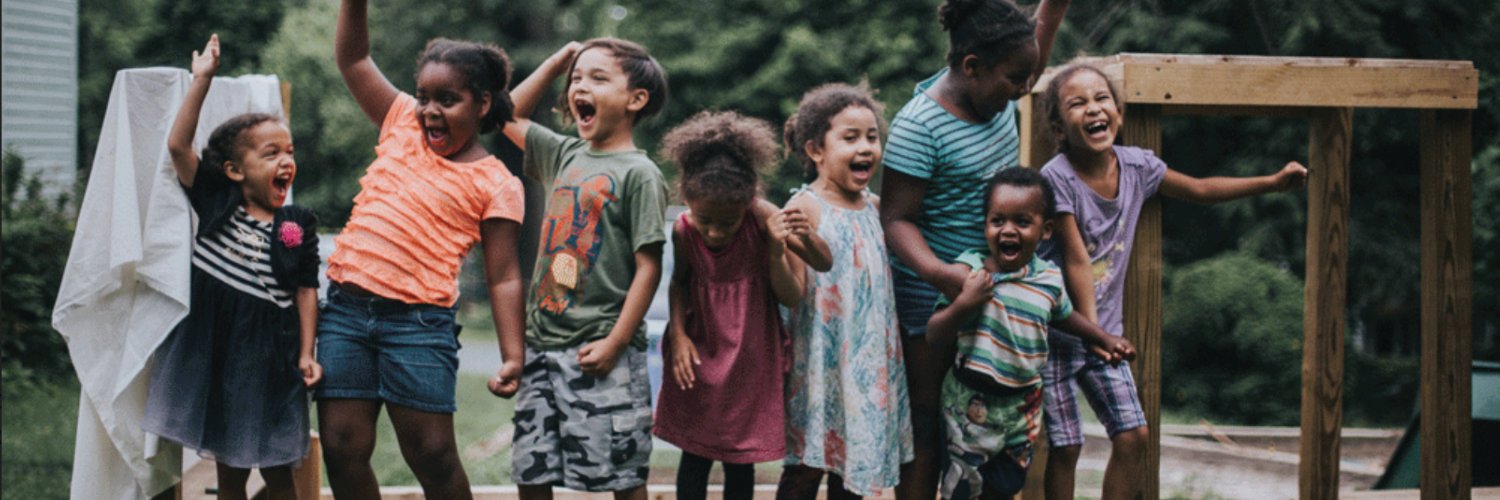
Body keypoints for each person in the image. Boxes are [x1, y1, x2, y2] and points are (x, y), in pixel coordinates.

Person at [1036, 63, 1308, 500]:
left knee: (1133, 435)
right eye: (1078, 103)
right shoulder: (1056, 176)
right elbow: (1076, 259)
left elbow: (1200, 188)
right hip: (1058, 331)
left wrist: (1272, 183)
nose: (1093, 109)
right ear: (1058, 126)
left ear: (1119, 113)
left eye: (1101, 99)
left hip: (1105, 333)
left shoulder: (1138, 167)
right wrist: (1095, 334)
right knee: (1066, 447)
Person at [319, 1, 528, 498]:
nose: (430, 110)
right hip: (345, 314)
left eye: (448, 99)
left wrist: (513, 353)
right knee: (341, 445)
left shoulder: (495, 181)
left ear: (481, 104)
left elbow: (503, 276)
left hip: (418, 326)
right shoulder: (400, 125)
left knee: (433, 455)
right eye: (424, 97)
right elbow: (353, 60)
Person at [878, 1, 1071, 496]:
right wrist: (944, 276)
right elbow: (896, 220)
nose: (1025, 88)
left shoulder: (999, 91)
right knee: (928, 420)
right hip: (933, 293)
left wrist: (1053, 10)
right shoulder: (919, 126)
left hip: (999, 283)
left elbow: (1030, 58)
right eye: (1015, 78)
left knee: (987, 420)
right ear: (971, 67)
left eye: (1027, 76)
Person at [142, 34, 322, 500]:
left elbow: (305, 289)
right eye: (271, 154)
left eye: (290, 152)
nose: (286, 161)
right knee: (232, 473)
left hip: (276, 358)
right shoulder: (216, 201)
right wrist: (202, 81)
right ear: (234, 171)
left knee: (281, 469)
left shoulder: (298, 222)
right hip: (220, 354)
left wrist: (306, 352)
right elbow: (179, 147)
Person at [502, 39, 669, 500]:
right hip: (542, 347)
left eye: (598, 78)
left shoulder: (640, 173)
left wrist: (616, 342)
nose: (581, 85)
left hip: (601, 350)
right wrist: (558, 62)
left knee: (621, 473)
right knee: (530, 470)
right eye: (577, 78)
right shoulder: (564, 154)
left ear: (636, 100)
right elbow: (503, 113)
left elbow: (648, 268)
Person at [925, 168, 1134, 499]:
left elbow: (1064, 316)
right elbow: (934, 333)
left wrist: (1102, 338)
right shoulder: (970, 272)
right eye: (998, 221)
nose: (1008, 230)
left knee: (1006, 486)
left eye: (1022, 221)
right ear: (986, 226)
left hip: (1022, 406)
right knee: (964, 488)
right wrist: (965, 303)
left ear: (1045, 230)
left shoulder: (1048, 279)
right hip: (969, 405)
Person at [777, 83, 912, 500]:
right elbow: (794, 290)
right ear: (817, 150)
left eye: (872, 137)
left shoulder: (876, 208)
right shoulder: (805, 208)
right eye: (850, 138)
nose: (866, 147)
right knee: (805, 466)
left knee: (853, 469)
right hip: (821, 361)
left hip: (868, 363)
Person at [653, 110, 798, 500]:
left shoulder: (763, 218)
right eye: (706, 220)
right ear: (686, 198)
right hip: (701, 349)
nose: (715, 232)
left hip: (751, 355)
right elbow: (679, 283)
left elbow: (793, 295)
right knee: (695, 450)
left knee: (740, 455)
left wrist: (775, 249)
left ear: (749, 200)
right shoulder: (684, 230)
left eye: (727, 223)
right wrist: (679, 336)